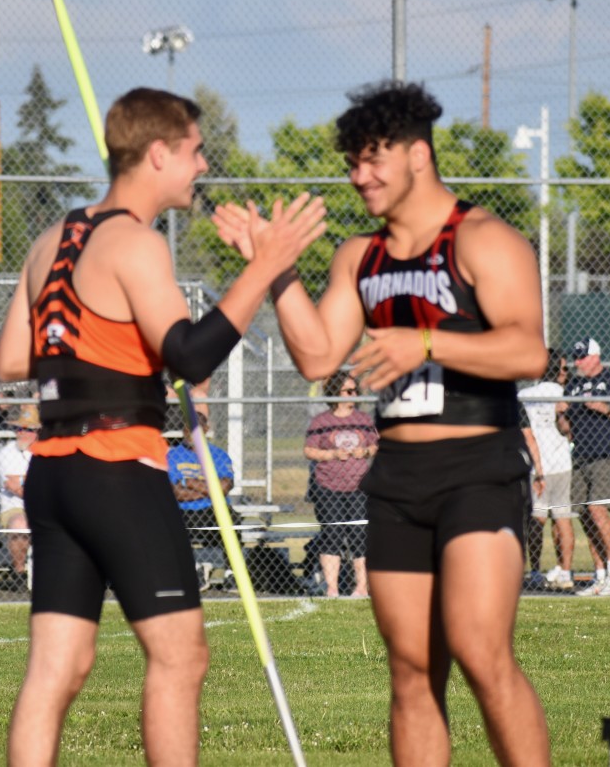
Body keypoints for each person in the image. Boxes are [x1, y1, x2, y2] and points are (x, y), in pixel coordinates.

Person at [215, 81, 549, 764]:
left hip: (477, 470)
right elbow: (315, 355)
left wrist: (427, 342)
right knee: (411, 676)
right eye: (351, 163)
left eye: (373, 160)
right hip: (396, 479)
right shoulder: (358, 257)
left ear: (418, 155)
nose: (358, 176)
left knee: (483, 654)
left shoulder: (482, 238)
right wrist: (274, 270)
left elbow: (529, 349)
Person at [0, 86, 325, 766]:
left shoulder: (51, 240)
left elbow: (12, 359)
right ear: (158, 153)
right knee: (180, 657)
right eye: (196, 152)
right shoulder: (135, 243)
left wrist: (108, 347)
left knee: (59, 668)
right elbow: (189, 354)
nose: (203, 167)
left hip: (52, 474)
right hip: (116, 470)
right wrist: (263, 266)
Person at [556, 337, 610, 597]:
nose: (578, 362)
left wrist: (606, 408)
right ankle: (600, 573)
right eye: (576, 358)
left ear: (596, 357)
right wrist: (560, 414)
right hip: (581, 456)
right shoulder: (574, 385)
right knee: (583, 512)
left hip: (608, 455)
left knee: (597, 508)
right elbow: (565, 430)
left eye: (582, 357)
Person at [303, 370, 377, 598]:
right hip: (329, 486)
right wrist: (333, 455)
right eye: (348, 390)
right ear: (336, 393)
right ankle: (332, 588)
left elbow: (376, 445)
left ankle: (361, 588)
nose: (353, 394)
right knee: (332, 534)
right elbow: (309, 450)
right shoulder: (322, 422)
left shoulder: (363, 420)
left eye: (355, 390)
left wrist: (363, 450)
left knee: (359, 536)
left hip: (358, 487)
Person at [518, 350, 575, 592]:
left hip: (537, 465)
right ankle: (565, 571)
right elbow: (569, 429)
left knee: (537, 520)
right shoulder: (563, 394)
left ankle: (535, 570)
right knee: (562, 518)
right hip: (561, 463)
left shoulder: (525, 394)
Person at [167, 411, 235, 592]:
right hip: (184, 510)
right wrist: (209, 489)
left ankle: (231, 575)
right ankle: (193, 571)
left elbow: (224, 488)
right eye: (187, 428)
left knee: (233, 522)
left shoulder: (218, 455)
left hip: (213, 510)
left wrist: (188, 483)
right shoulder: (173, 455)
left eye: (195, 428)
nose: (190, 433)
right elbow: (175, 492)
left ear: (205, 429)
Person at [0, 407, 38, 584]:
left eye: (28, 429)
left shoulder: (47, 450)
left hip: (47, 505)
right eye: (19, 428)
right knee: (20, 523)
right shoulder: (7, 452)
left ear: (38, 432)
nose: (23, 433)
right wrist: (37, 484)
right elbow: (13, 486)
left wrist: (24, 480)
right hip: (15, 507)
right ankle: (19, 573)